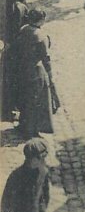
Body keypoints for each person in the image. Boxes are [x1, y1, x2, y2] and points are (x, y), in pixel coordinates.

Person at [2, 137, 50, 212]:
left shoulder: (42, 173)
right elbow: (6, 205)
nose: (44, 162)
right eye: (41, 158)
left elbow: (45, 196)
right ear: (33, 159)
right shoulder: (16, 177)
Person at [16, 9, 57, 139]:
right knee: (36, 100)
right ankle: (32, 130)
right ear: (40, 20)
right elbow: (45, 57)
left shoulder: (23, 29)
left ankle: (22, 124)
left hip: (22, 68)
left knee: (25, 97)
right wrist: (50, 74)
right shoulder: (40, 35)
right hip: (36, 71)